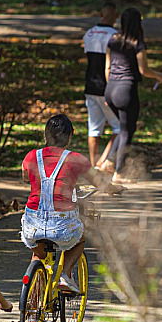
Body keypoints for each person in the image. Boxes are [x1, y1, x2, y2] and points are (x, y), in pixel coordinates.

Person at [21, 114, 122, 293]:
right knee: (79, 237)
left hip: (32, 224)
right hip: (61, 223)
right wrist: (114, 189)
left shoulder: (31, 156)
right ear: (68, 137)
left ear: (46, 135)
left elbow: (25, 177)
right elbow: (99, 182)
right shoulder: (75, 159)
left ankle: (32, 301)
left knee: (38, 252)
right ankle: (65, 275)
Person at [104, 7, 162, 183]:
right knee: (127, 131)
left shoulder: (112, 40)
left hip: (110, 89)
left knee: (123, 128)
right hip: (126, 90)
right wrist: (159, 76)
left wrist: (109, 90)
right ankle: (119, 173)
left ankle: (109, 162)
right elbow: (143, 69)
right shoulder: (137, 42)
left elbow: (107, 68)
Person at [83, 3, 121, 168]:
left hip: (90, 85)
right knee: (120, 127)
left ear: (101, 14)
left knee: (94, 128)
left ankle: (93, 165)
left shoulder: (89, 33)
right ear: (116, 16)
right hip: (106, 88)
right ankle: (105, 160)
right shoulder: (115, 36)